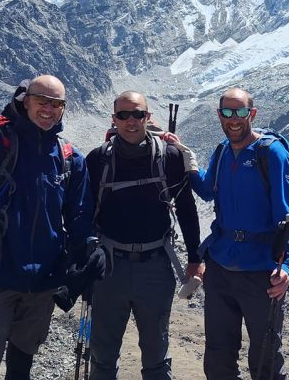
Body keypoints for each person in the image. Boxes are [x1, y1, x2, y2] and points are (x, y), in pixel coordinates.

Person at [0, 75, 94, 380]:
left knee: (22, 365)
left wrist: (82, 265)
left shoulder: (70, 158)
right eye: (43, 102)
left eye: (57, 104)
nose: (49, 110)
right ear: (26, 102)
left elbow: (80, 219)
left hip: (42, 283)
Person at [179, 87, 289, 380]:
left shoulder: (271, 154)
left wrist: (288, 267)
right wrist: (188, 163)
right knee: (218, 356)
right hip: (221, 267)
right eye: (227, 112)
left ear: (252, 114)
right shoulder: (222, 151)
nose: (233, 119)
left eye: (240, 112)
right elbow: (208, 191)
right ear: (219, 115)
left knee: (265, 360)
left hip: (262, 272)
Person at [85, 90, 203, 380]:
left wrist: (194, 258)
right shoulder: (98, 160)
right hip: (109, 266)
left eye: (137, 114)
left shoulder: (171, 157)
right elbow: (83, 214)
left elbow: (187, 209)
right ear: (114, 119)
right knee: (102, 354)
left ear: (147, 117)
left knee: (156, 352)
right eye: (123, 115)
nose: (130, 121)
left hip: (155, 264)